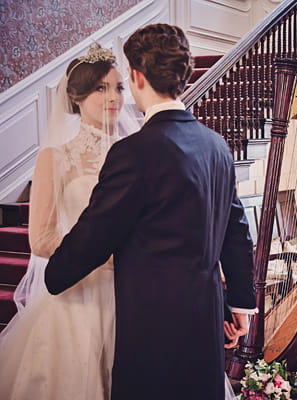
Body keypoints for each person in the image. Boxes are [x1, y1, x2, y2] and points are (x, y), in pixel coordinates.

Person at [43, 24, 256, 400]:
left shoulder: (134, 152)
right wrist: (239, 302)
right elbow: (235, 229)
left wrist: (56, 274)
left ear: (137, 76)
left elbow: (97, 230)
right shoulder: (216, 145)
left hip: (152, 323)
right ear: (183, 77)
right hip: (205, 315)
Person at [0, 44, 140, 398]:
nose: (114, 98)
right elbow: (41, 239)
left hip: (134, 292)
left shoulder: (138, 153)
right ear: (76, 97)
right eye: (101, 88)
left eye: (119, 87)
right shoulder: (55, 158)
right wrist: (101, 253)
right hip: (79, 292)